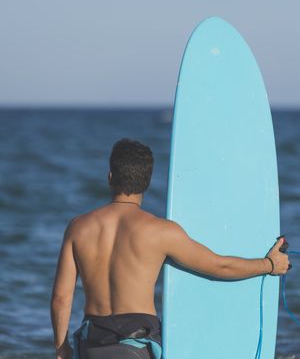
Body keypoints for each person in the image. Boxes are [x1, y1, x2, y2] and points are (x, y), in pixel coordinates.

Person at [50, 138, 290, 359]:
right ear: (146, 182)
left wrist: (61, 348)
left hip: (91, 344)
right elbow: (220, 266)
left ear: (110, 176)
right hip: (136, 346)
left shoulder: (78, 228)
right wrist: (269, 265)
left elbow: (61, 298)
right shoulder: (162, 232)